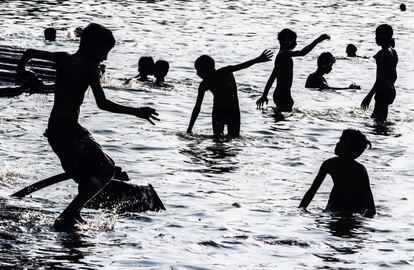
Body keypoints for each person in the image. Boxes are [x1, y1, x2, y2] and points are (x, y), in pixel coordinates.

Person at [17, 23, 159, 229]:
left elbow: (29, 53)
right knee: (107, 169)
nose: (105, 58)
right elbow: (103, 104)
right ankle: (69, 214)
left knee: (89, 172)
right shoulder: (90, 67)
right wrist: (137, 111)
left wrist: (24, 72)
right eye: (105, 51)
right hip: (69, 130)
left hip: (55, 130)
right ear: (92, 44)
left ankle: (74, 213)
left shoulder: (65, 58)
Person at [187, 50, 273, 138]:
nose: (197, 74)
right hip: (220, 111)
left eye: (199, 70)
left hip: (231, 111)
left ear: (208, 69)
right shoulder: (204, 84)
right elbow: (197, 107)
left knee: (230, 138)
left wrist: (258, 59)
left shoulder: (225, 72)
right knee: (220, 140)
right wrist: (189, 129)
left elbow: (243, 66)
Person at [299, 129, 376, 218]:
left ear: (353, 152)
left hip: (354, 209)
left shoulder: (359, 170)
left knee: (345, 215)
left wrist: (362, 217)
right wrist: (301, 209)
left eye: (343, 142)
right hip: (334, 205)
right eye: (339, 140)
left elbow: (371, 206)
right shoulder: (329, 164)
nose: (338, 144)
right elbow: (312, 191)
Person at [256, 29, 330, 112]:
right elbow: (302, 52)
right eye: (294, 40)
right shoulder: (284, 54)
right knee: (284, 120)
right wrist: (318, 40)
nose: (296, 43)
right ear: (286, 40)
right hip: (282, 94)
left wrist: (264, 95)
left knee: (282, 119)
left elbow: (272, 77)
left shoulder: (280, 56)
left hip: (281, 94)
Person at [361, 24, 398, 122]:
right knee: (381, 120)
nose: (375, 38)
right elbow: (394, 76)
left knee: (377, 121)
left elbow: (379, 79)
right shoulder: (393, 52)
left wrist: (369, 96)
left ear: (383, 36)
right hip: (391, 90)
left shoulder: (383, 53)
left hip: (383, 91)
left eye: (377, 36)